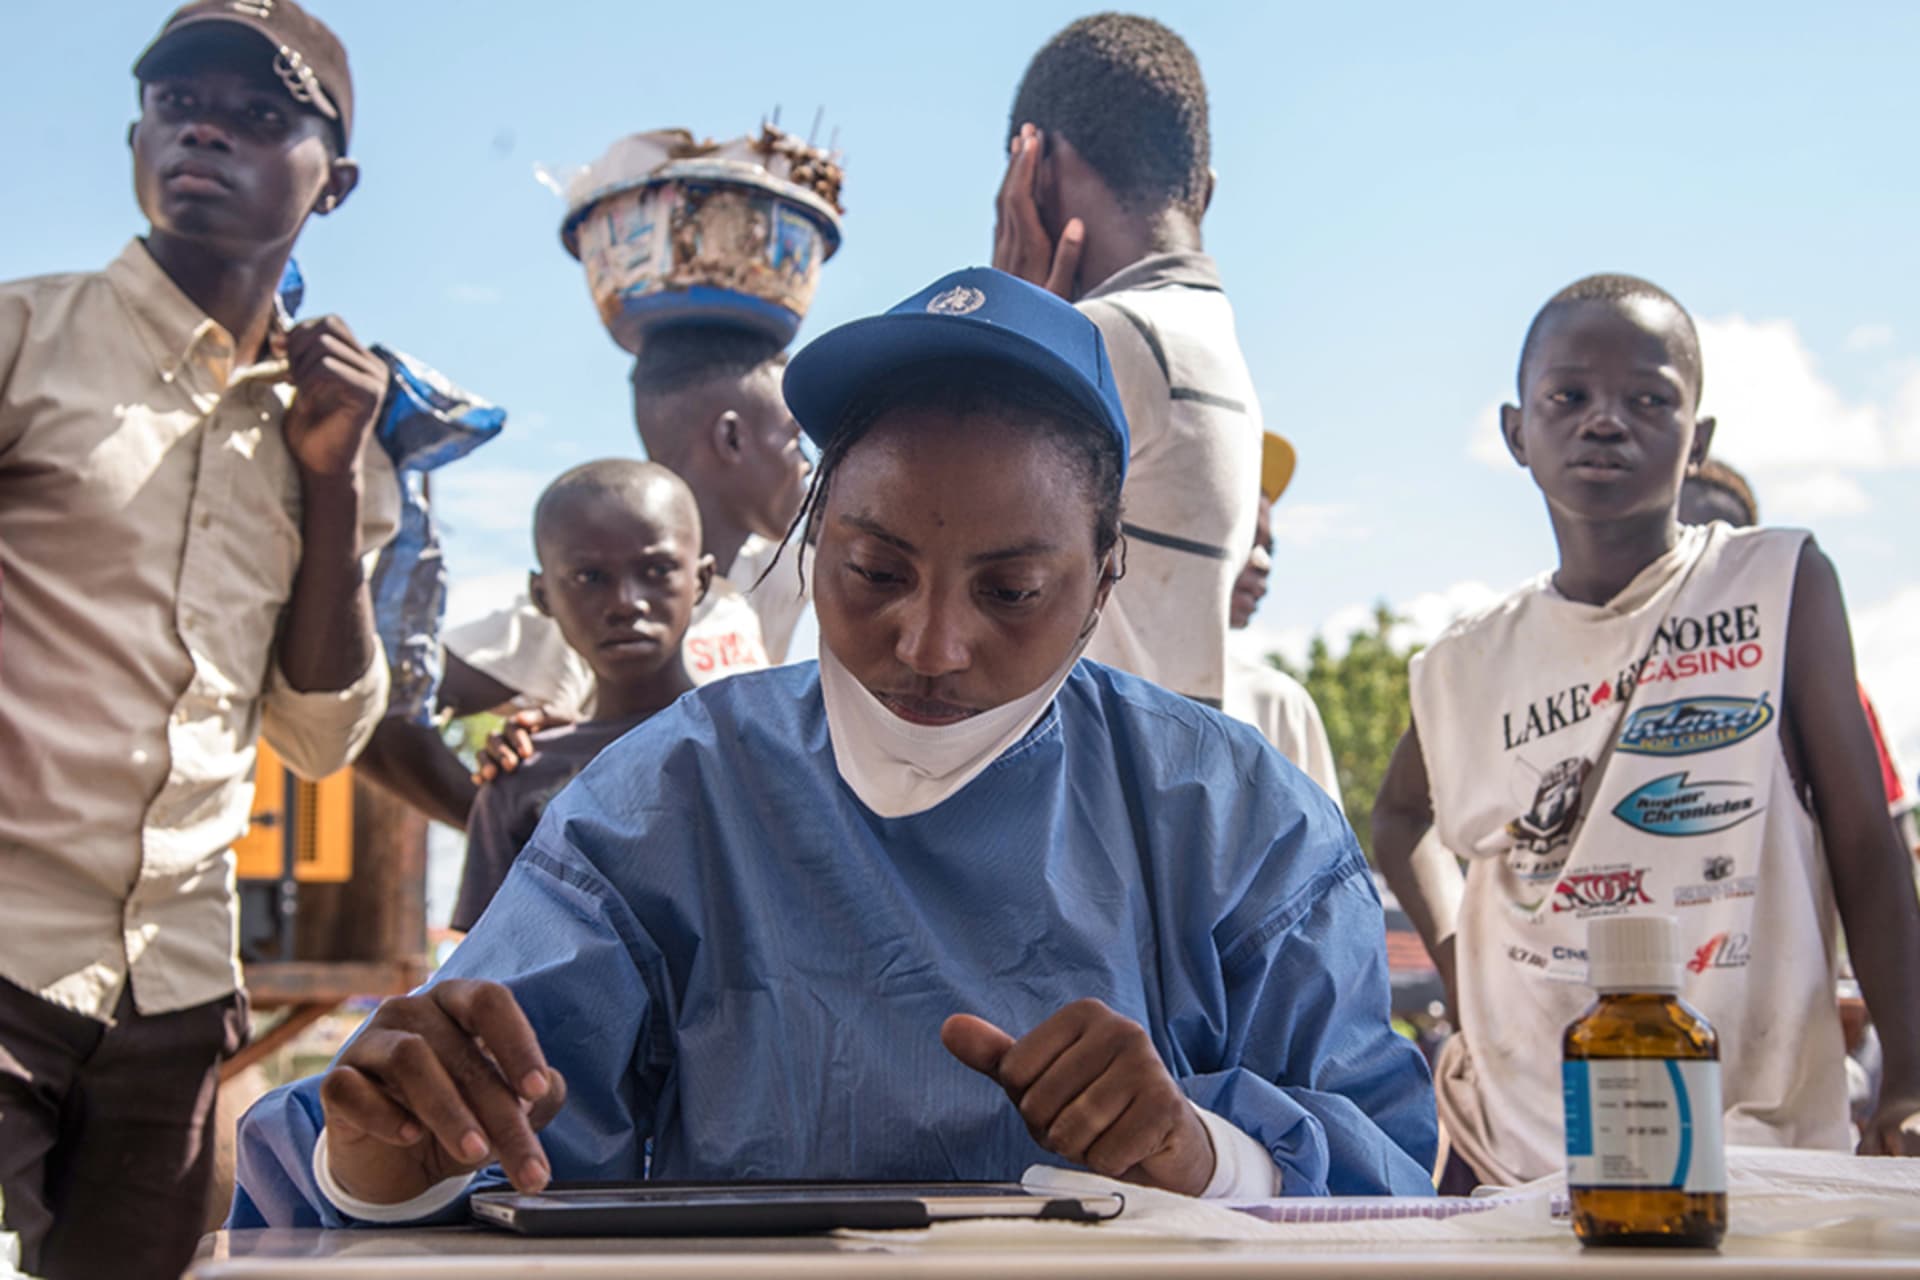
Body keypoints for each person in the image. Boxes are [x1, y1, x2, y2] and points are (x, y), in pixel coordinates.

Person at [230, 267, 1435, 1227]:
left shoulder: (1236, 816)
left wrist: (1202, 1148)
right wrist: (392, 1151)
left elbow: (1392, 1185)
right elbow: (480, 1137)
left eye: (1011, 589)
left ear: (1105, 570)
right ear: (811, 543)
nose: (933, 642)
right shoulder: (672, 795)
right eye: (874, 571)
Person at [0, 3, 398, 1275]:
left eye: (261, 115)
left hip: (174, 992)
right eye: (181, 105)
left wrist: (329, 482)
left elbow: (323, 736)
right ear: (136, 137)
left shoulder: (344, 426)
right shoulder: (24, 344)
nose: (208, 130)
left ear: (333, 183)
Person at [1372, 273, 1920, 1189]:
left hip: (1754, 1136)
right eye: (1570, 396)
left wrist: (1907, 1075)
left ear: (1697, 438)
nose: (1605, 420)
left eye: (1649, 398)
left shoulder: (1777, 586)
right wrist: (1465, 974)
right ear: (1517, 431)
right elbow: (1399, 818)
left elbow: (1867, 844)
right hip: (1517, 1138)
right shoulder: (1468, 661)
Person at [370, 325, 811, 831]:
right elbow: (383, 717)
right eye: (795, 440)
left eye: (659, 571)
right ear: (731, 437)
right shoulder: (576, 612)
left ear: (701, 581)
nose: (805, 464)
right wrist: (518, 834)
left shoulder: (748, 587)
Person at [993, 14, 1261, 708]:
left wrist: (1007, 320)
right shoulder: (1204, 335)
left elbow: (948, 537)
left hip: (1083, 798)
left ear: (1037, 166)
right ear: (1204, 191)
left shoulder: (1111, 341)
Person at [451, 460, 713, 932]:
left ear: (702, 580)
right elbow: (489, 976)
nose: (626, 602)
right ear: (542, 595)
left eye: (657, 569)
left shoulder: (754, 748)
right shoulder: (523, 777)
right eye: (590, 577)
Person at [1223, 431, 1341, 803]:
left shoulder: (1278, 706)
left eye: (1269, 546)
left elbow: (1325, 858)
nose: (1263, 562)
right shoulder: (1084, 688)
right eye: (1245, 537)